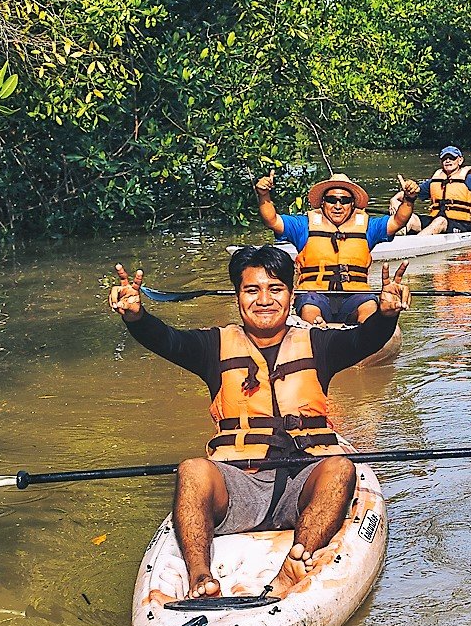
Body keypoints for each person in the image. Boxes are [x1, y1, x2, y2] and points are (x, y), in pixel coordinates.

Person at [108, 244, 411, 600]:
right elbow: (168, 340)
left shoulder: (319, 344)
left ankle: (292, 567)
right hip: (240, 485)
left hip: (304, 483)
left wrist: (386, 315)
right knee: (192, 469)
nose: (264, 300)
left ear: (291, 295)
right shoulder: (212, 346)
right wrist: (136, 318)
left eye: (275, 289)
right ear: (238, 296)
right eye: (252, 290)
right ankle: (201, 578)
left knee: (341, 469)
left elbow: (365, 338)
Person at [257, 172, 417, 325]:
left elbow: (397, 221)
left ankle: (368, 331)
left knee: (369, 307)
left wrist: (409, 199)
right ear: (322, 202)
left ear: (352, 204)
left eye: (344, 200)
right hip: (314, 294)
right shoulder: (303, 225)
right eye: (332, 200)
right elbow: (272, 220)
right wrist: (264, 195)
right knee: (309, 308)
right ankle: (315, 330)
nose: (338, 206)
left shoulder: (369, 227)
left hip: (356, 294)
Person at [394, 145, 471, 234]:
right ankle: (393, 239)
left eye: (452, 158)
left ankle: (415, 245)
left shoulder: (470, 179)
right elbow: (412, 193)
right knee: (410, 218)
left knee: (440, 221)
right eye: (444, 158)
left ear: (460, 160)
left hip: (462, 224)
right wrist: (394, 199)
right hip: (436, 221)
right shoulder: (435, 180)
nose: (448, 161)